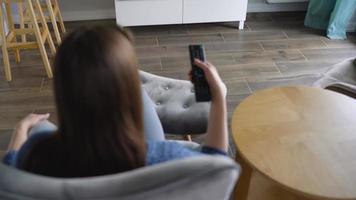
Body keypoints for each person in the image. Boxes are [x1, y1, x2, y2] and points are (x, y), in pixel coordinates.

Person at [2, 26, 229, 178]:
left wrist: (21, 128)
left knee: (39, 126)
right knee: (139, 92)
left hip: (73, 159)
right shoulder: (162, 156)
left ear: (63, 93)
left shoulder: (39, 154)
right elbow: (217, 163)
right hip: (134, 159)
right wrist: (218, 95)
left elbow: (9, 169)